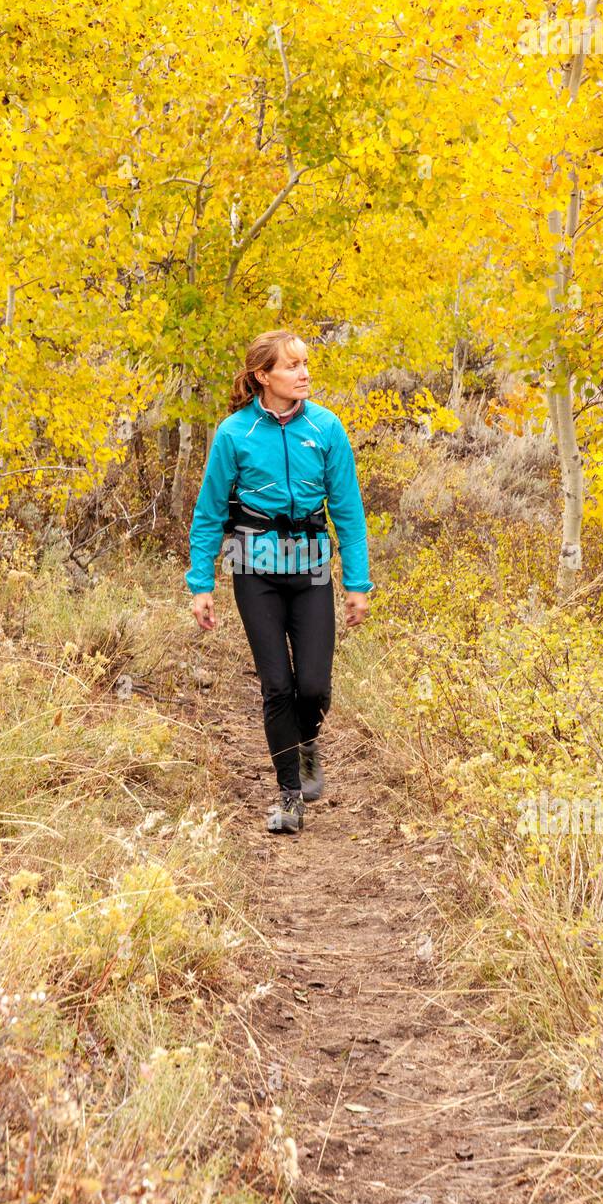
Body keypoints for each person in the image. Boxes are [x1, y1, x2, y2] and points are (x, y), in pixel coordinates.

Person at [185, 328, 373, 836]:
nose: (304, 373)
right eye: (291, 366)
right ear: (263, 376)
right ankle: (290, 795)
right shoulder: (234, 434)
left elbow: (349, 512)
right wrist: (200, 585)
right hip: (254, 570)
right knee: (277, 686)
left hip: (311, 568)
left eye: (305, 364)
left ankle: (306, 742)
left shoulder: (327, 428)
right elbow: (207, 515)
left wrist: (358, 583)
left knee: (312, 686)